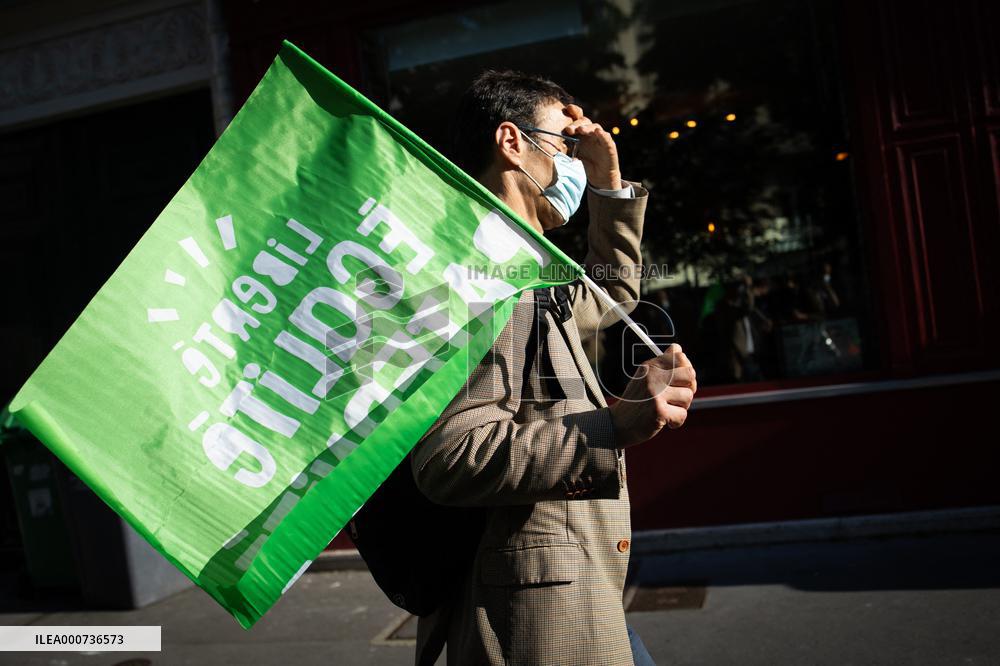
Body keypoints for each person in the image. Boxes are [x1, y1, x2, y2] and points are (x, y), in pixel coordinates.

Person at [408, 70, 697, 665]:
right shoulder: (482, 277)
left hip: (577, 592)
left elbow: (610, 295)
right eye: (564, 144)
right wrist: (613, 427)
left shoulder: (526, 264)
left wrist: (607, 182)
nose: (573, 157)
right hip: (533, 614)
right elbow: (449, 459)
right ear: (512, 142)